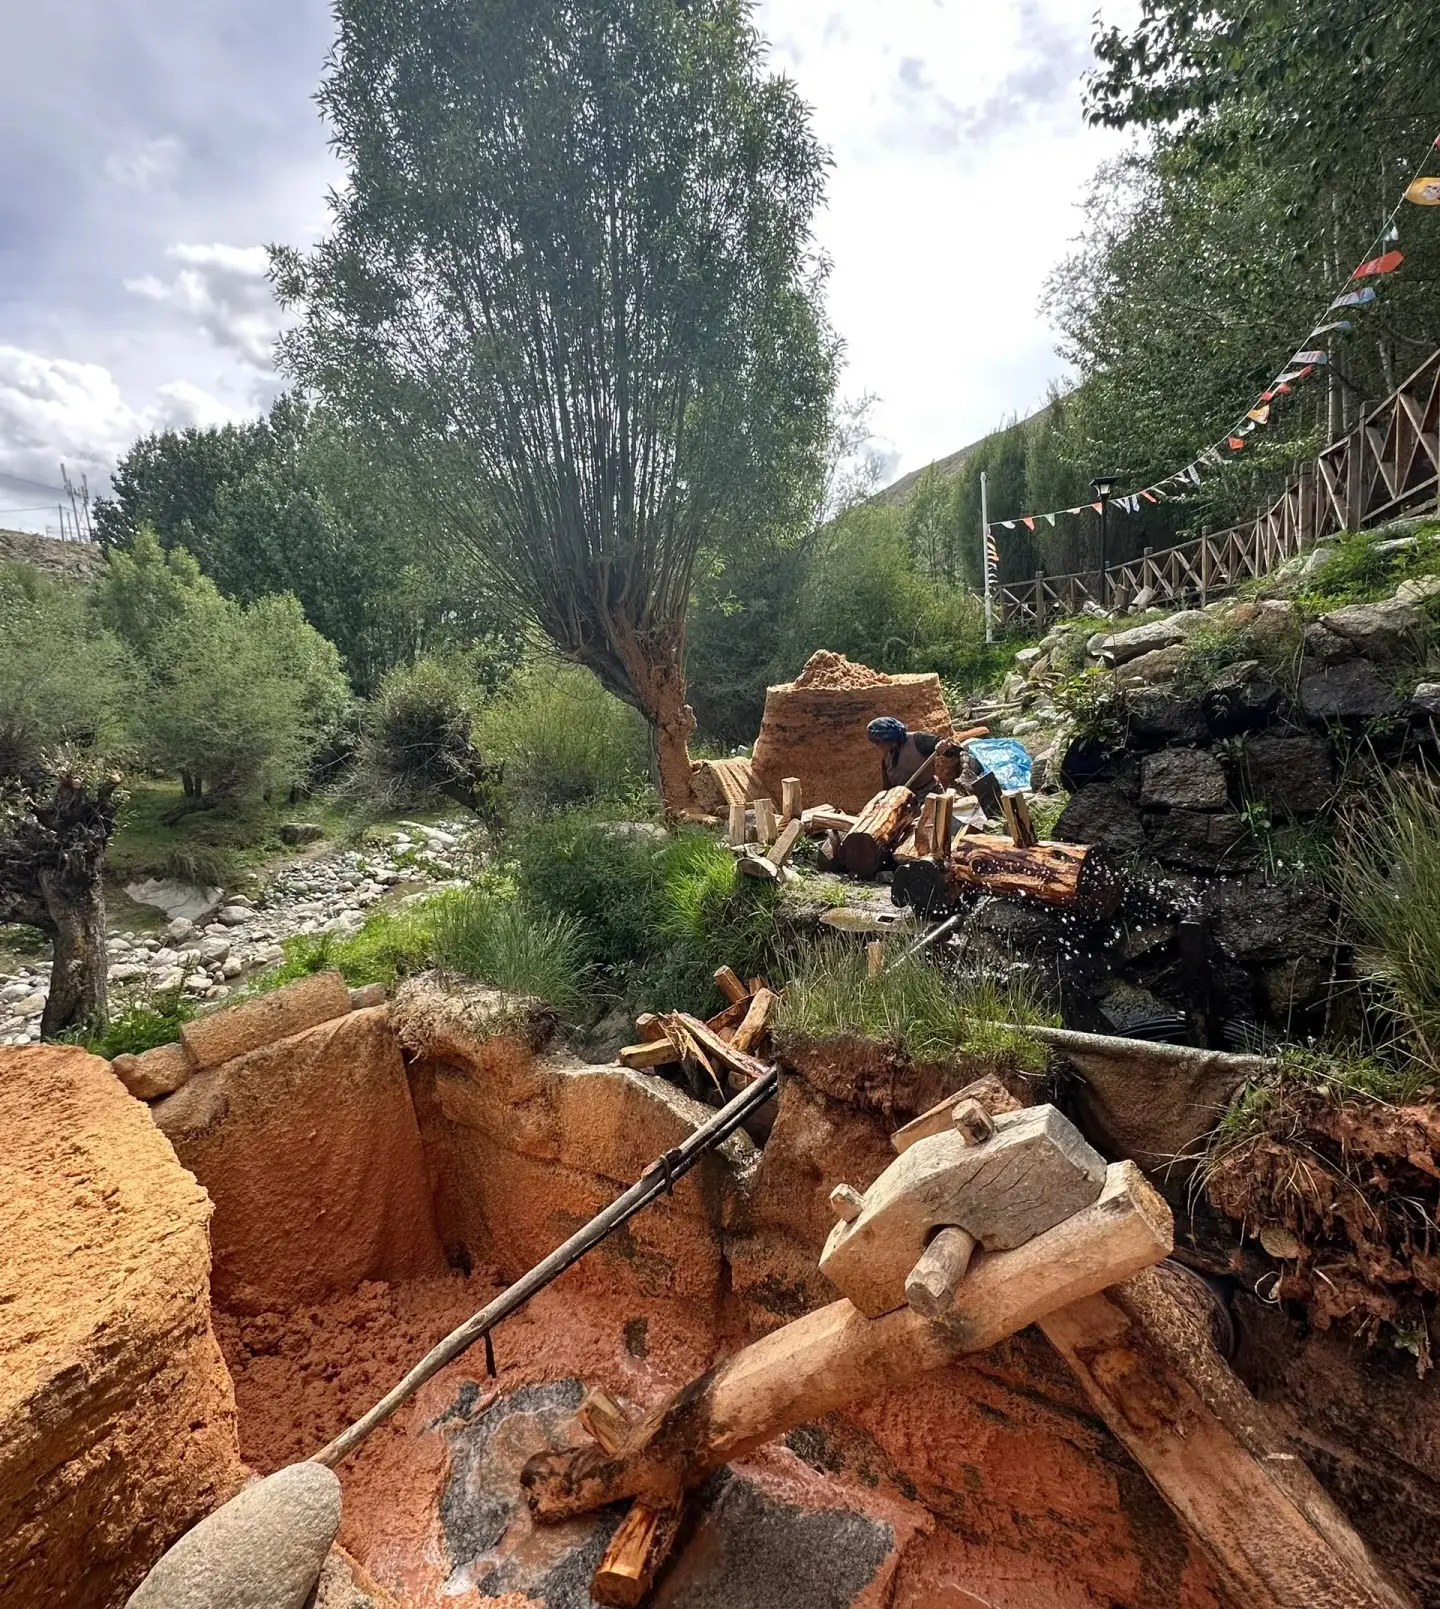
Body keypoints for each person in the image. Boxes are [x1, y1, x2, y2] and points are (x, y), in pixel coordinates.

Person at [866, 716, 958, 792]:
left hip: (928, 793)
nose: (878, 745)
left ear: (890, 739)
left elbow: (950, 750)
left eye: (879, 742)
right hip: (903, 798)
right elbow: (887, 785)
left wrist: (945, 747)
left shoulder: (918, 740)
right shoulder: (887, 755)